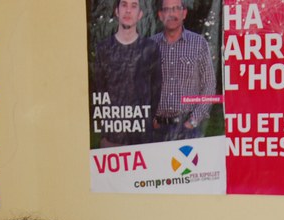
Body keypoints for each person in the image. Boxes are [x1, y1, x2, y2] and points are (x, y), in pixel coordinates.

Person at [91, 0, 161, 147]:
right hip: (112, 136)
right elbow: (98, 92)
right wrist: (105, 134)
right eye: (124, 5)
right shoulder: (103, 49)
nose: (128, 10)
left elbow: (156, 90)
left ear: (140, 14)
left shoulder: (150, 48)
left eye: (134, 6)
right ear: (117, 11)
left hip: (143, 137)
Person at [151, 0, 216, 142]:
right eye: (167, 10)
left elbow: (209, 85)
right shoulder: (150, 45)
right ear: (160, 15)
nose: (172, 14)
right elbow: (141, 86)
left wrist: (193, 121)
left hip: (188, 129)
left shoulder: (199, 44)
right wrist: (150, 117)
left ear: (184, 13)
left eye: (176, 9)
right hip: (156, 130)